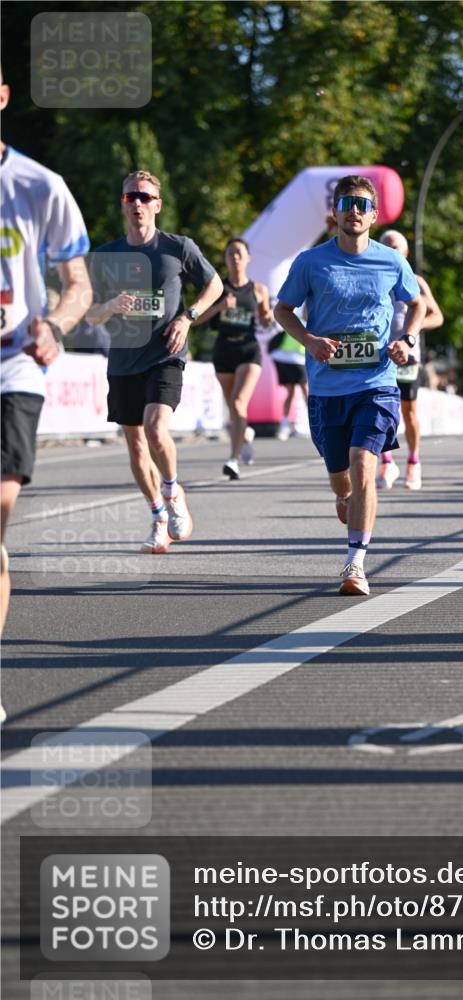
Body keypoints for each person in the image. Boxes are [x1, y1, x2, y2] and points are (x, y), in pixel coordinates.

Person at [274, 175, 425, 596]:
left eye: (362, 204)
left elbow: (417, 303)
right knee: (342, 479)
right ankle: (345, 500)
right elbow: (282, 309)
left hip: (376, 382)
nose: (354, 210)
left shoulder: (391, 261)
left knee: (364, 465)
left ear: (374, 215)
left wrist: (406, 340)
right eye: (346, 203)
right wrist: (308, 340)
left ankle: (354, 564)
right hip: (326, 389)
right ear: (335, 212)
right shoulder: (310, 262)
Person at [1, 74, 92, 724]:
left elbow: (79, 284)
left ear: (2, 94)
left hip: (12, 368)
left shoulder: (38, 186)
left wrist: (54, 325)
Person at [86, 170, 222, 553]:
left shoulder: (177, 247)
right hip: (124, 360)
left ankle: (172, 489)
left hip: (165, 354)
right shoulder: (107, 255)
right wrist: (111, 305)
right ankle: (158, 516)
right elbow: (89, 314)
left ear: (158, 205)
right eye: (131, 197)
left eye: (145, 197)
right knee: (135, 446)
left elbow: (215, 285)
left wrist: (187, 317)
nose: (138, 204)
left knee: (156, 429)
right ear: (123, 204)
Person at [194, 238, 272, 478]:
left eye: (239, 253)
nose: (235, 257)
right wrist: (219, 307)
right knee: (234, 408)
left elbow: (265, 319)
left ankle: (233, 460)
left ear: (248, 258)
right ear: (226, 259)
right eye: (230, 253)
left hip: (248, 349)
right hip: (224, 350)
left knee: (238, 403)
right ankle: (245, 433)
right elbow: (195, 319)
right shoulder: (217, 288)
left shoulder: (258, 290)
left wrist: (268, 316)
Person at [376, 230, 443, 491]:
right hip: (379, 354)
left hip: (407, 354)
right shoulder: (375, 279)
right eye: (386, 246)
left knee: (408, 410)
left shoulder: (416, 281)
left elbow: (437, 316)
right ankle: (386, 462)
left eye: (396, 247)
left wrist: (411, 331)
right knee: (381, 409)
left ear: (405, 253)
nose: (391, 250)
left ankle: (414, 463)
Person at [269, 328, 308, 440]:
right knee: (304, 392)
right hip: (292, 359)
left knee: (295, 392)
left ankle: (288, 425)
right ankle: (291, 425)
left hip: (286, 358)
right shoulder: (302, 319)